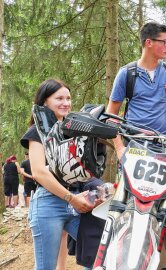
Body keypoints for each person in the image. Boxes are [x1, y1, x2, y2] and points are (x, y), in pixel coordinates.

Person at [20, 79, 94, 270]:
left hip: (77, 202)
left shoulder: (74, 132)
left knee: (99, 255)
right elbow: (38, 172)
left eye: (68, 98)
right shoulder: (37, 131)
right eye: (59, 98)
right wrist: (70, 198)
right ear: (45, 102)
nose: (66, 103)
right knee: (46, 267)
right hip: (48, 204)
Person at [107, 21, 166, 159]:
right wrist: (119, 148)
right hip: (133, 146)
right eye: (165, 42)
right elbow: (111, 115)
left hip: (165, 148)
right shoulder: (126, 73)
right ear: (149, 42)